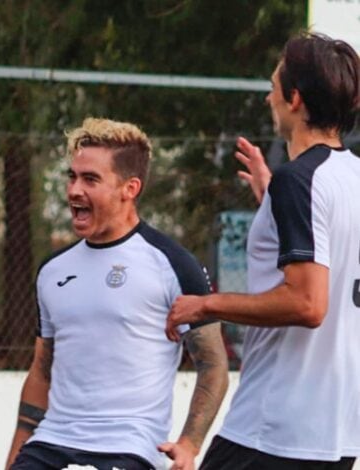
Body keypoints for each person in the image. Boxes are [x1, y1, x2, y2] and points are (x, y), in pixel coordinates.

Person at [166, 33, 360, 470]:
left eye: (273, 86)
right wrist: (273, 200)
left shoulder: (299, 183)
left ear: (294, 99)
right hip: (337, 432)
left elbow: (308, 303)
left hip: (276, 427)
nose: (268, 96)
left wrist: (206, 304)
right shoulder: (348, 178)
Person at [6, 118, 229, 470]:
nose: (75, 190)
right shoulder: (52, 271)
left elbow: (213, 364)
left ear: (130, 188)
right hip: (51, 442)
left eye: (90, 179)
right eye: (72, 176)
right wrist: (16, 456)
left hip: (129, 449)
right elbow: (41, 372)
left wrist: (189, 444)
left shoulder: (174, 265)